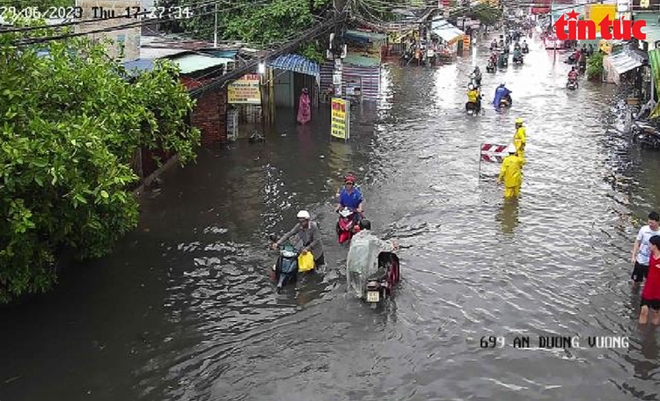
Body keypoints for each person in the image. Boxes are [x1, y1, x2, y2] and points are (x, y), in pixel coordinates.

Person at [346, 219, 399, 298]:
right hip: (367, 269)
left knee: (357, 289)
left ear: (359, 227)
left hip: (353, 267)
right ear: (369, 228)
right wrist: (393, 245)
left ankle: (360, 294)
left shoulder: (354, 238)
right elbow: (385, 247)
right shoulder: (372, 239)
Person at [631, 212, 660, 289]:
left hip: (652, 263)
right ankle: (634, 297)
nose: (650, 224)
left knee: (649, 282)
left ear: (657, 222)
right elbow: (637, 242)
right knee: (636, 281)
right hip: (640, 259)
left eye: (652, 223)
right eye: (649, 222)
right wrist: (633, 256)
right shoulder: (643, 229)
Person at [639, 235, 660, 324]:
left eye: (650, 244)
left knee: (656, 312)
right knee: (644, 310)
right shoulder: (651, 254)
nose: (648, 245)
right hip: (649, 287)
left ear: (655, 245)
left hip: (658, 289)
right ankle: (641, 333)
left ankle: (653, 333)